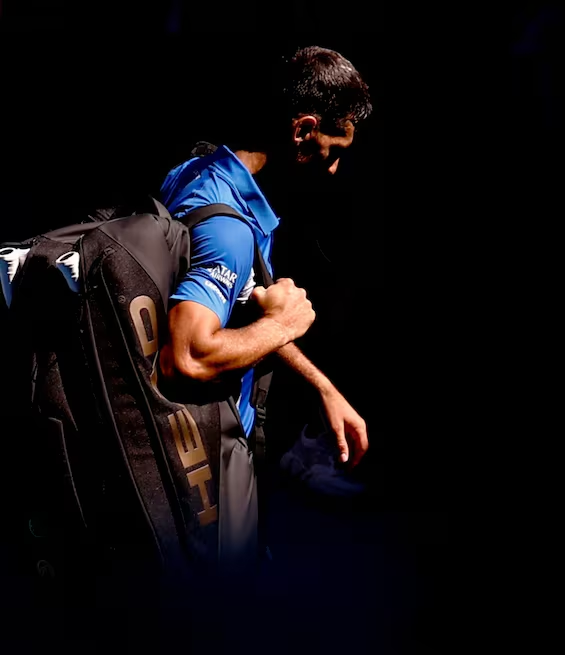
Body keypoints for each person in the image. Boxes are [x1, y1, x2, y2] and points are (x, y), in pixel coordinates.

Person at [156, 45, 372, 569]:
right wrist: (285, 322)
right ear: (302, 131)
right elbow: (186, 354)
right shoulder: (229, 228)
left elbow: (240, 312)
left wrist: (322, 386)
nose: (336, 167)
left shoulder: (195, 171)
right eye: (333, 146)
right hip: (206, 455)